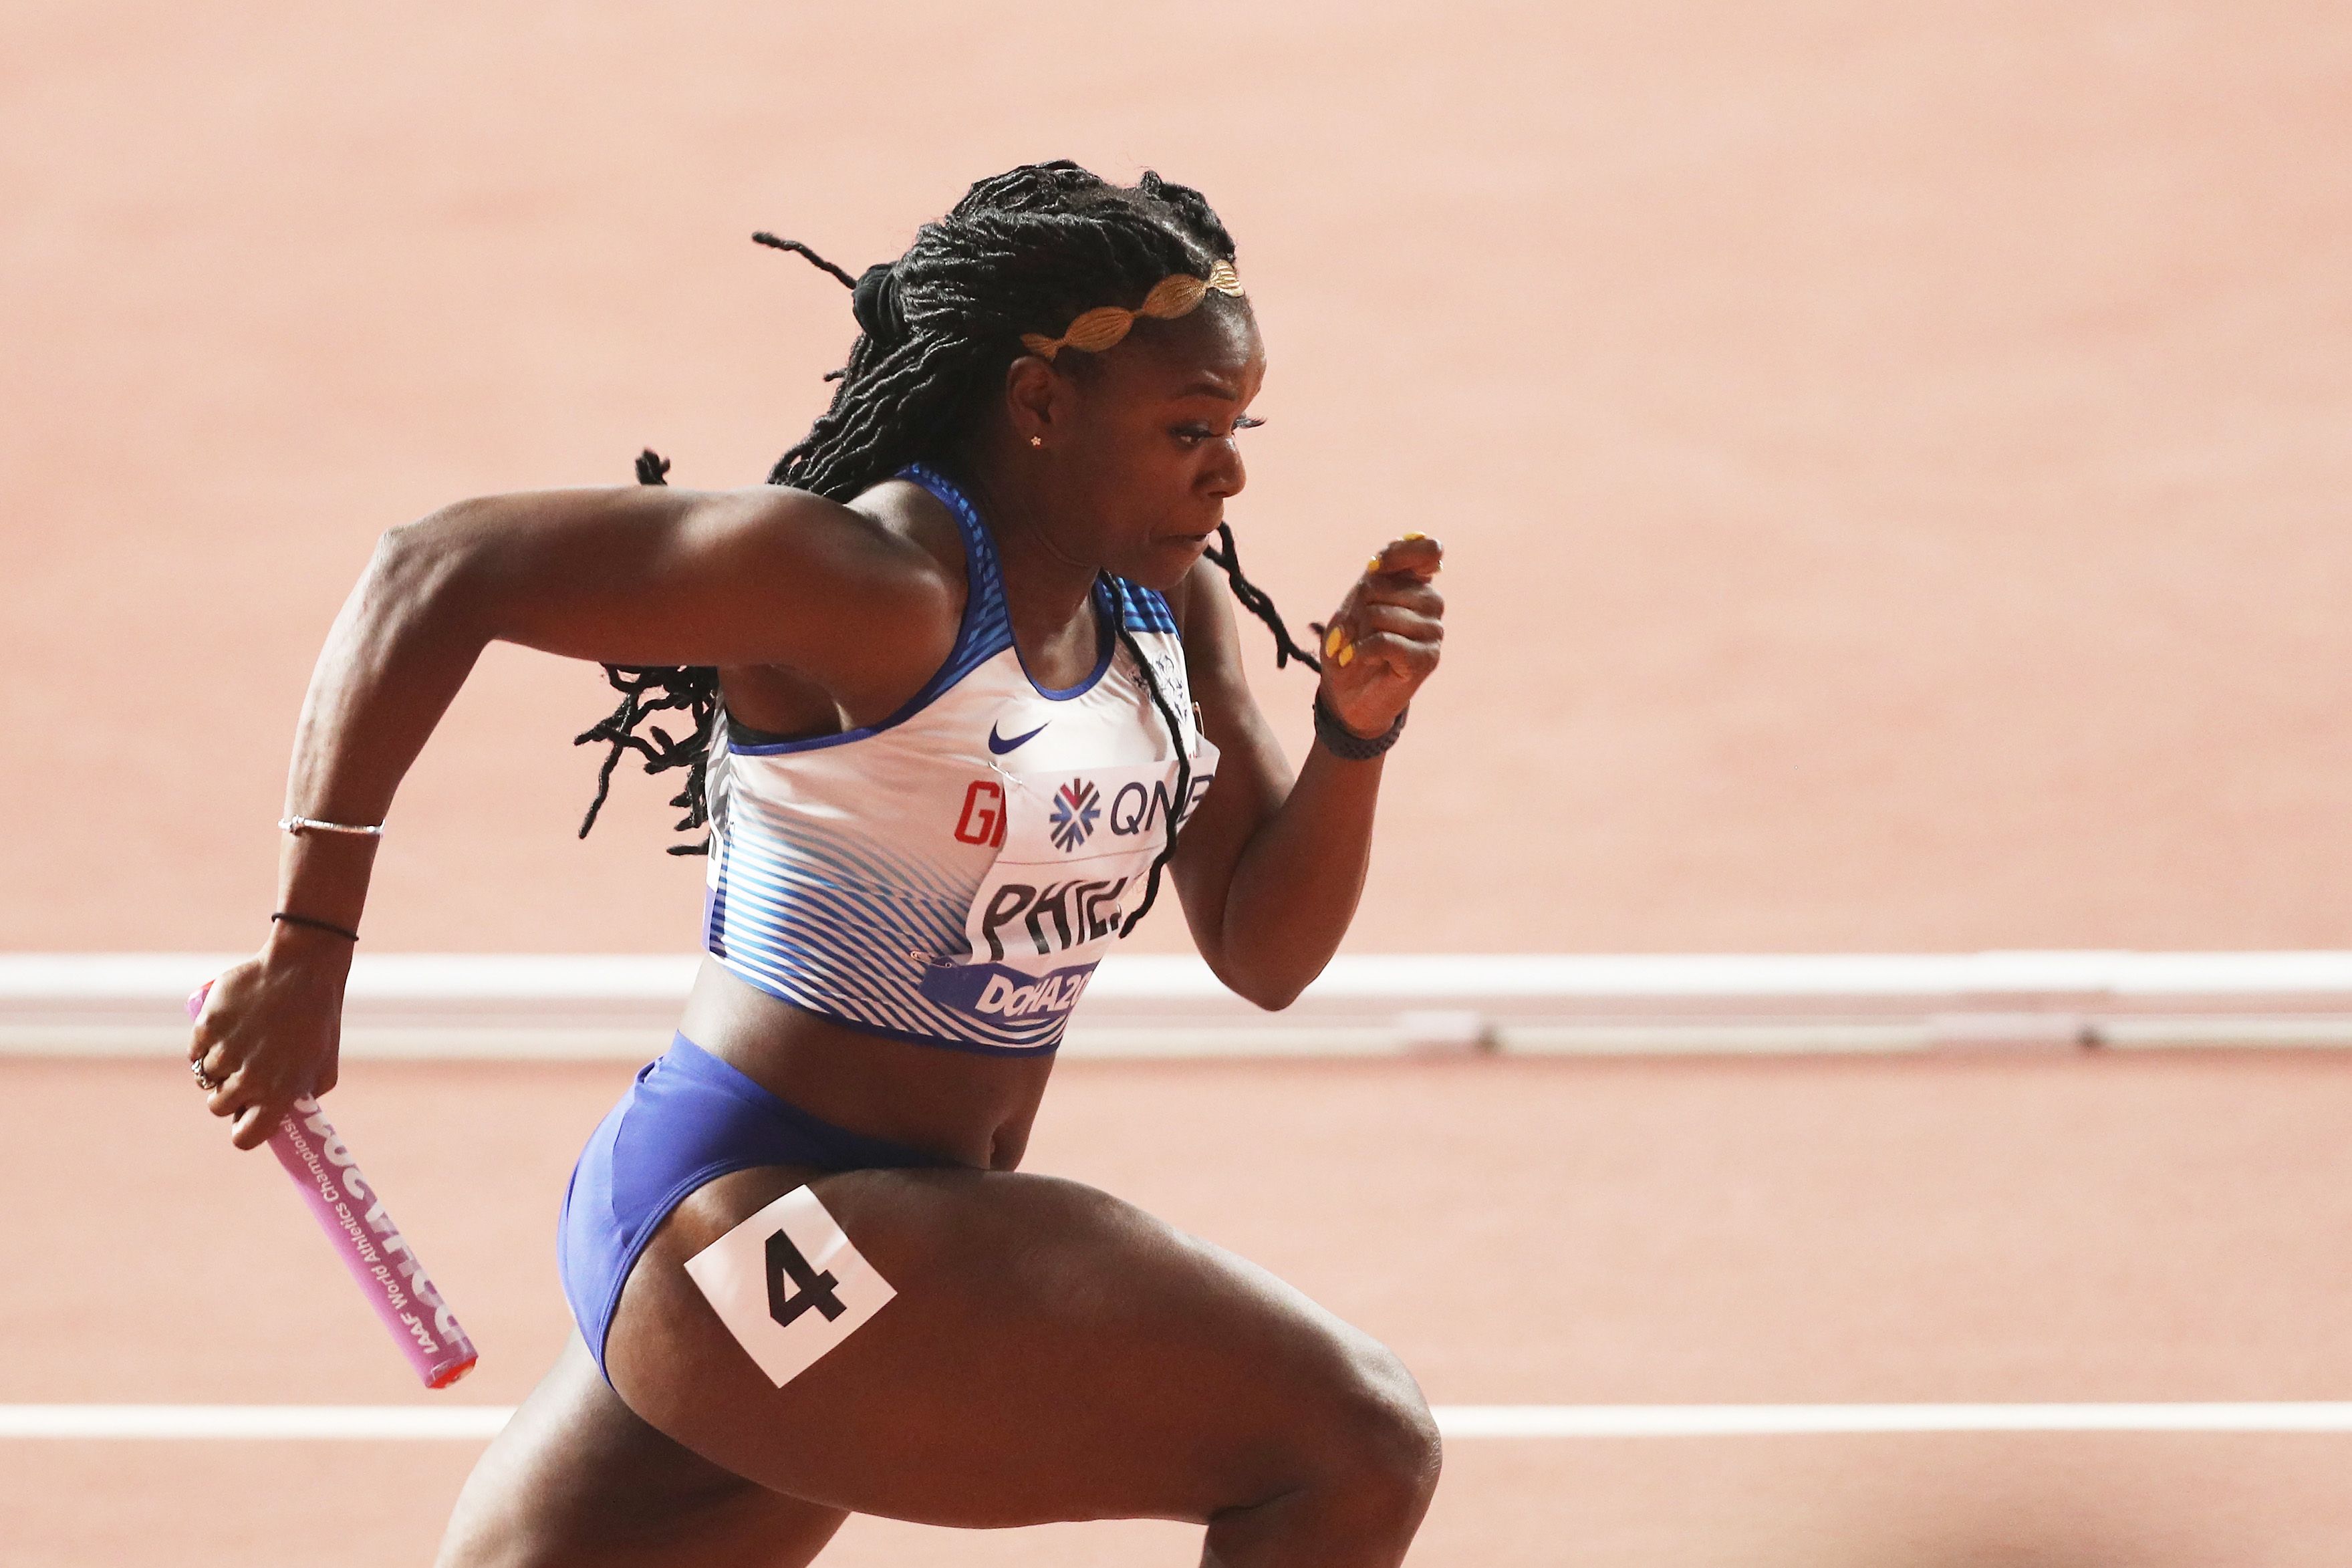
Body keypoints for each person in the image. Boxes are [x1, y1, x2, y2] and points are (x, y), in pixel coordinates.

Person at [188, 161, 1448, 1568]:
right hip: (758, 1231)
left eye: (1236, 425)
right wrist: (310, 947)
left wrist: (1352, 737)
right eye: (1186, 428)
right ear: (1038, 404)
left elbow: (1263, 950)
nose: (1228, 470)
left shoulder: (1165, 614)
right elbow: (432, 568)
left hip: (885, 1247)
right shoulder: (868, 587)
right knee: (1353, 1445)